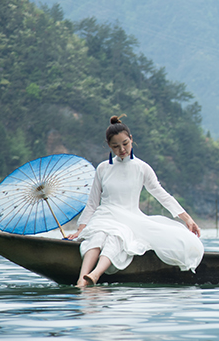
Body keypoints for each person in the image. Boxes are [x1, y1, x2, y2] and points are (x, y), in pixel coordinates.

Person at [67, 116, 204, 286]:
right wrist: (81, 229)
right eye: (116, 146)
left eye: (125, 143)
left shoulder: (142, 168)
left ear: (131, 140)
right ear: (109, 146)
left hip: (129, 218)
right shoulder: (103, 168)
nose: (122, 149)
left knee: (116, 238)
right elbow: (93, 203)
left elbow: (162, 195)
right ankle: (82, 278)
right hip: (105, 215)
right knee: (97, 236)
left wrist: (187, 219)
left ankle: (95, 275)